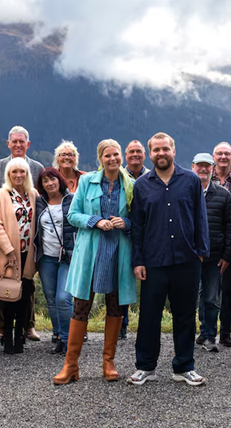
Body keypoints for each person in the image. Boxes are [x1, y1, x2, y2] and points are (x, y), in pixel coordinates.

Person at [128, 133, 209, 386]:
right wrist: (138, 261)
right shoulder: (142, 184)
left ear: (174, 151)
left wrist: (200, 251)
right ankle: (145, 366)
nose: (161, 154)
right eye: (156, 150)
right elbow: (137, 226)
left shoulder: (191, 180)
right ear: (150, 154)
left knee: (185, 315)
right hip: (153, 260)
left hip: (187, 259)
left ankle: (184, 367)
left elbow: (200, 218)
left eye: (165, 149)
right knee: (149, 316)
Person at [54, 140, 136, 384]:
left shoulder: (130, 185)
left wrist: (126, 223)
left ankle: (108, 363)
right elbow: (72, 215)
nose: (113, 159)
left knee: (115, 306)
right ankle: (70, 365)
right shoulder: (87, 182)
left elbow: (138, 220)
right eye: (108, 155)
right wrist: (95, 221)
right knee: (81, 306)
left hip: (118, 252)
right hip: (90, 251)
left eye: (116, 154)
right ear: (100, 158)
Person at [0, 126, 43, 342]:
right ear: (8, 143)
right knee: (4, 281)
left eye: (22, 141)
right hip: (6, 239)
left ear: (28, 144)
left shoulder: (37, 167)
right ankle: (2, 326)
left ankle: (28, 326)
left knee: (27, 284)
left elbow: (39, 200)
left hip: (29, 243)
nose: (18, 145)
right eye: (14, 141)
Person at [0, 158, 39, 354]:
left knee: (24, 296)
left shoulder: (33, 194)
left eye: (22, 172)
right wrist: (8, 248)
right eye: (14, 172)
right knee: (8, 296)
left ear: (27, 174)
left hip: (28, 254)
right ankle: (7, 337)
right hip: (9, 253)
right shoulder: (1, 195)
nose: (19, 175)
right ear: (8, 175)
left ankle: (20, 336)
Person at [191, 153, 231, 352]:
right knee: (188, 298)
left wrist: (227, 255)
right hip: (189, 256)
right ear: (193, 167)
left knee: (210, 297)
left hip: (214, 256)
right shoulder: (185, 191)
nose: (203, 169)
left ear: (213, 169)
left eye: (207, 166)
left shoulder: (223, 194)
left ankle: (209, 335)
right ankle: (192, 335)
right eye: (199, 166)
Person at [33, 168, 76, 355]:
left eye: (52, 179)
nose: (49, 183)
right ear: (41, 185)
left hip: (68, 256)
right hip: (46, 257)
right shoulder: (39, 202)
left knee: (63, 298)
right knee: (51, 299)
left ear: (59, 180)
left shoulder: (72, 199)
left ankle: (69, 339)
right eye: (45, 181)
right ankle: (58, 336)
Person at [120, 139, 150, 339]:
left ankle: (146, 327)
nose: (135, 155)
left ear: (145, 155)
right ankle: (121, 325)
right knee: (122, 282)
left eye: (138, 151)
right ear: (125, 155)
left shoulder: (151, 177)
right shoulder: (119, 176)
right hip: (123, 235)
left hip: (147, 237)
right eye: (131, 152)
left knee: (148, 284)